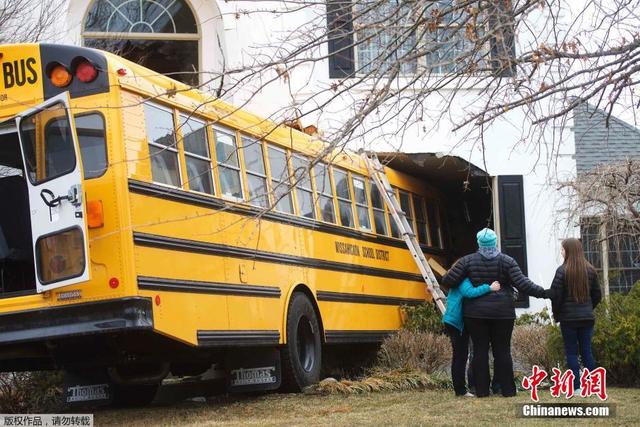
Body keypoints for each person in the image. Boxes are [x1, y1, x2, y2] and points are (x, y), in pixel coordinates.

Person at [442, 228, 548, 397]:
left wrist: (466, 277)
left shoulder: (467, 261)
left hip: (475, 314)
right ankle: (507, 390)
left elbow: (448, 280)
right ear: (495, 242)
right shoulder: (507, 261)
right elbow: (522, 283)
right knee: (503, 351)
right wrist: (543, 293)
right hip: (503, 313)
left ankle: (482, 391)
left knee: (480, 350)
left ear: (479, 243)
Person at [546, 238, 602, 391]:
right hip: (587, 318)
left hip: (568, 319)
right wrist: (589, 308)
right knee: (586, 351)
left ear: (569, 251)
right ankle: (593, 386)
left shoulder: (562, 271)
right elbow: (598, 295)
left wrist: (557, 315)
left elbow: (556, 296)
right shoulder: (590, 270)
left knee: (571, 352)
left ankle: (576, 388)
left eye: (563, 249)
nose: (561, 252)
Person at [441, 272, 501, 397]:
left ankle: (461, 389)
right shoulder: (463, 280)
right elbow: (470, 292)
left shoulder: (457, 279)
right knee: (460, 356)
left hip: (453, 320)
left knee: (460, 356)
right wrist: (489, 288)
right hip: (457, 322)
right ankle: (460, 390)